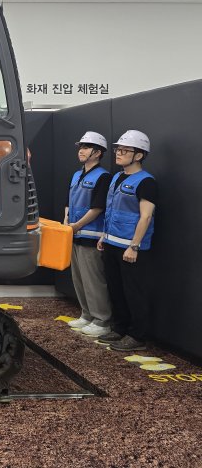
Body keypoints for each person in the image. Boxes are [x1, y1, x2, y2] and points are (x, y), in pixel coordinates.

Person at [97, 130, 157, 352]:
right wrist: (104, 235)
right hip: (112, 243)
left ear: (139, 155)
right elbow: (112, 210)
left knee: (134, 292)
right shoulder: (117, 177)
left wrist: (134, 246)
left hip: (131, 247)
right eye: (118, 149)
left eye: (124, 150)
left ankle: (137, 335)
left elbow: (146, 216)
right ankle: (120, 328)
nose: (118, 153)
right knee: (116, 289)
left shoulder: (147, 182)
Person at [64, 132, 113, 337]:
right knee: (79, 278)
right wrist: (67, 221)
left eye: (86, 147)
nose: (81, 150)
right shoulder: (77, 174)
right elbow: (70, 201)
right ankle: (86, 315)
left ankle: (102, 321)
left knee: (94, 280)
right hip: (74, 234)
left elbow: (98, 208)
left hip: (91, 236)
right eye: (80, 146)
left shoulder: (103, 176)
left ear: (98, 152)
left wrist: (76, 226)